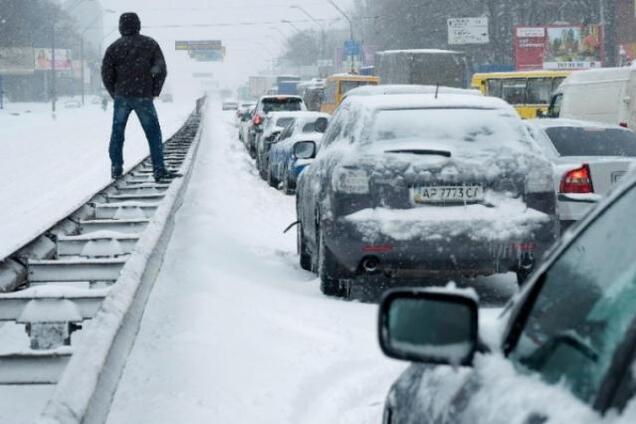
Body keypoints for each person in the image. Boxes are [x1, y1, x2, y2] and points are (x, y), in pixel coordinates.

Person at [101, 12, 180, 182]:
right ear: (138, 25)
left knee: (117, 133)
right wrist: (154, 91)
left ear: (121, 27)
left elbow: (106, 74)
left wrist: (115, 93)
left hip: (122, 96)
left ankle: (116, 168)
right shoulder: (149, 44)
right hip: (143, 96)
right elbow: (161, 69)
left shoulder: (113, 48)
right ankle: (159, 170)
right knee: (153, 133)